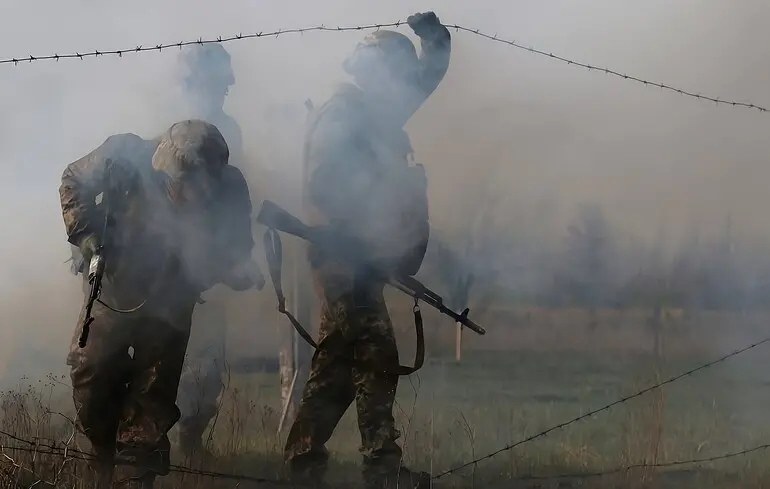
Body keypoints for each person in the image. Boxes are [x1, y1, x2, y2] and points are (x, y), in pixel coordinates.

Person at [283, 11, 451, 489]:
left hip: (360, 258)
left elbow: (427, 78)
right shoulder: (343, 114)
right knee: (376, 354)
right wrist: (362, 229)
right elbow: (324, 184)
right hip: (343, 258)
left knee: (337, 367)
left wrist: (433, 37)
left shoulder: (376, 112)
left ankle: (303, 462)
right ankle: (382, 468)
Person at [60, 119, 263, 489]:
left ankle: (134, 478)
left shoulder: (231, 187)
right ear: (164, 169)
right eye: (183, 185)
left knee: (152, 398)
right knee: (91, 374)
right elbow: (73, 180)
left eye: (202, 188)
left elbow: (236, 246)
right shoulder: (124, 156)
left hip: (172, 300)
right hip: (114, 289)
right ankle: (102, 452)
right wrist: (86, 236)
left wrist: (233, 270)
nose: (193, 196)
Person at [173, 43, 252, 459]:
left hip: (207, 265)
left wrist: (231, 254)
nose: (228, 86)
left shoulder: (228, 129)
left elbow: (229, 195)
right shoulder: (169, 127)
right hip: (163, 266)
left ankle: (190, 440)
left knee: (207, 363)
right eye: (220, 78)